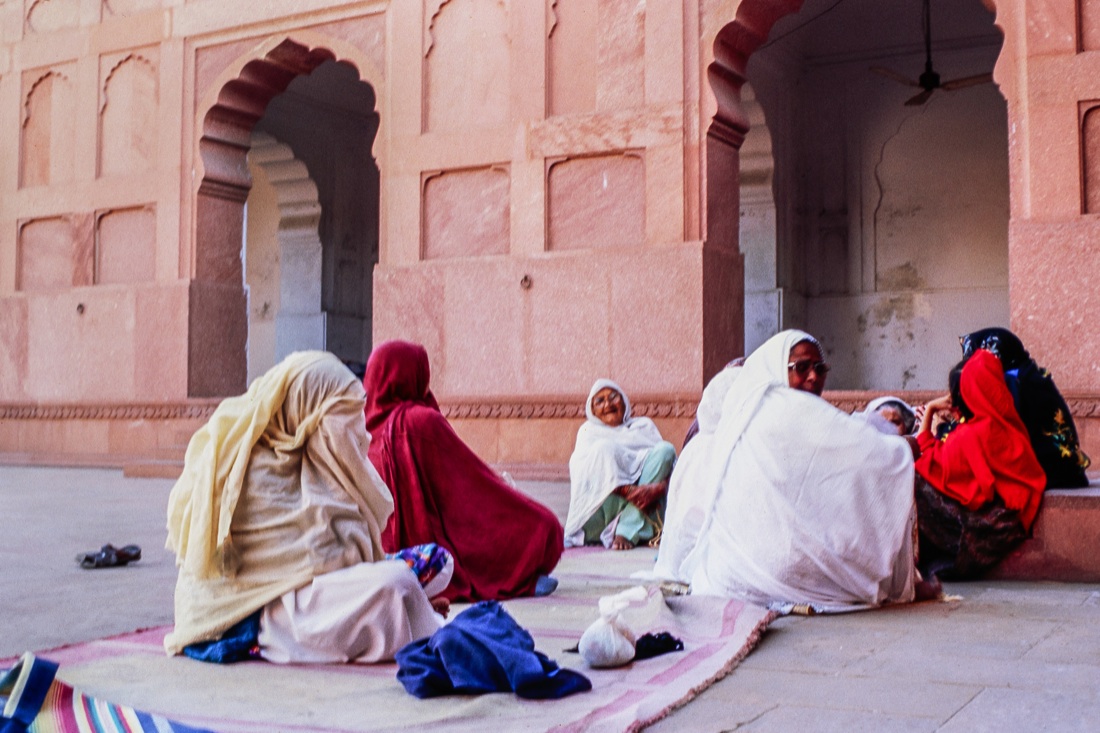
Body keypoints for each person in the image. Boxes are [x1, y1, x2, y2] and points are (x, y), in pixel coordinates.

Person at [164, 351, 445, 663]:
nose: (360, 432)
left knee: (424, 568)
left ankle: (407, 614)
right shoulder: (255, 473)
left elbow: (338, 558)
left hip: (300, 593)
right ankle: (413, 619)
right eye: (345, 416)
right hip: (256, 613)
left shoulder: (309, 459)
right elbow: (325, 561)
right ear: (307, 414)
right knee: (396, 584)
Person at [655, 330, 919, 610]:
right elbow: (867, 452)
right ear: (777, 367)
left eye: (820, 369)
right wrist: (905, 447)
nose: (813, 376)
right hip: (774, 568)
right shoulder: (782, 406)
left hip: (730, 575)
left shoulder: (752, 410)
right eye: (801, 367)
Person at [363, 340, 563, 601]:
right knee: (544, 527)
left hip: (375, 558)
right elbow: (471, 485)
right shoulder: (419, 422)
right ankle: (516, 578)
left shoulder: (358, 428)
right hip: (428, 556)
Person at [912, 349, 1047, 580]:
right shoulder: (1008, 425)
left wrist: (931, 411)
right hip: (1009, 524)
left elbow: (924, 461)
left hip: (986, 532)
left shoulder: (971, 434)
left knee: (909, 479)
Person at [959, 327, 1090, 488]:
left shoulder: (1015, 381)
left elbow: (1005, 428)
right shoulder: (1028, 373)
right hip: (1067, 467)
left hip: (1050, 469)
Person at [564, 379, 676, 550]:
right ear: (592, 410)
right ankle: (633, 528)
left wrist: (658, 488)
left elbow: (669, 468)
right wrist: (630, 491)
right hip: (602, 516)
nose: (607, 404)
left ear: (624, 401)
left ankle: (627, 529)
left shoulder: (643, 426)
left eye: (613, 397)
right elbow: (583, 476)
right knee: (604, 448)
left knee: (665, 449)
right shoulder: (588, 432)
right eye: (599, 401)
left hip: (646, 505)